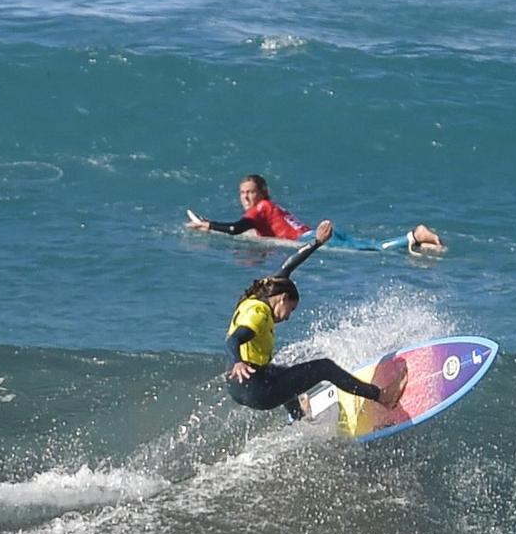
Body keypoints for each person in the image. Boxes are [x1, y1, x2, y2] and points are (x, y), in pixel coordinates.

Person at [225, 223, 406, 419]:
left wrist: (317, 242)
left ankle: (299, 417)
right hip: (256, 390)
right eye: (290, 309)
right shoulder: (259, 313)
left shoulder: (257, 296)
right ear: (283, 298)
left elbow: (287, 267)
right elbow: (233, 340)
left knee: (283, 373)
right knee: (324, 367)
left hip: (237, 387)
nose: (287, 317)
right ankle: (382, 396)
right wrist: (238, 362)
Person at [186, 173, 444, 252]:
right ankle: (418, 244)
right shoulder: (272, 207)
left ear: (262, 192)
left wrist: (207, 226)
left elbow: (235, 229)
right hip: (319, 233)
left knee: (373, 250)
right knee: (370, 245)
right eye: (242, 193)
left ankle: (415, 235)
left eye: (250, 192)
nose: (246, 197)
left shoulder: (260, 208)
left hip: (311, 239)